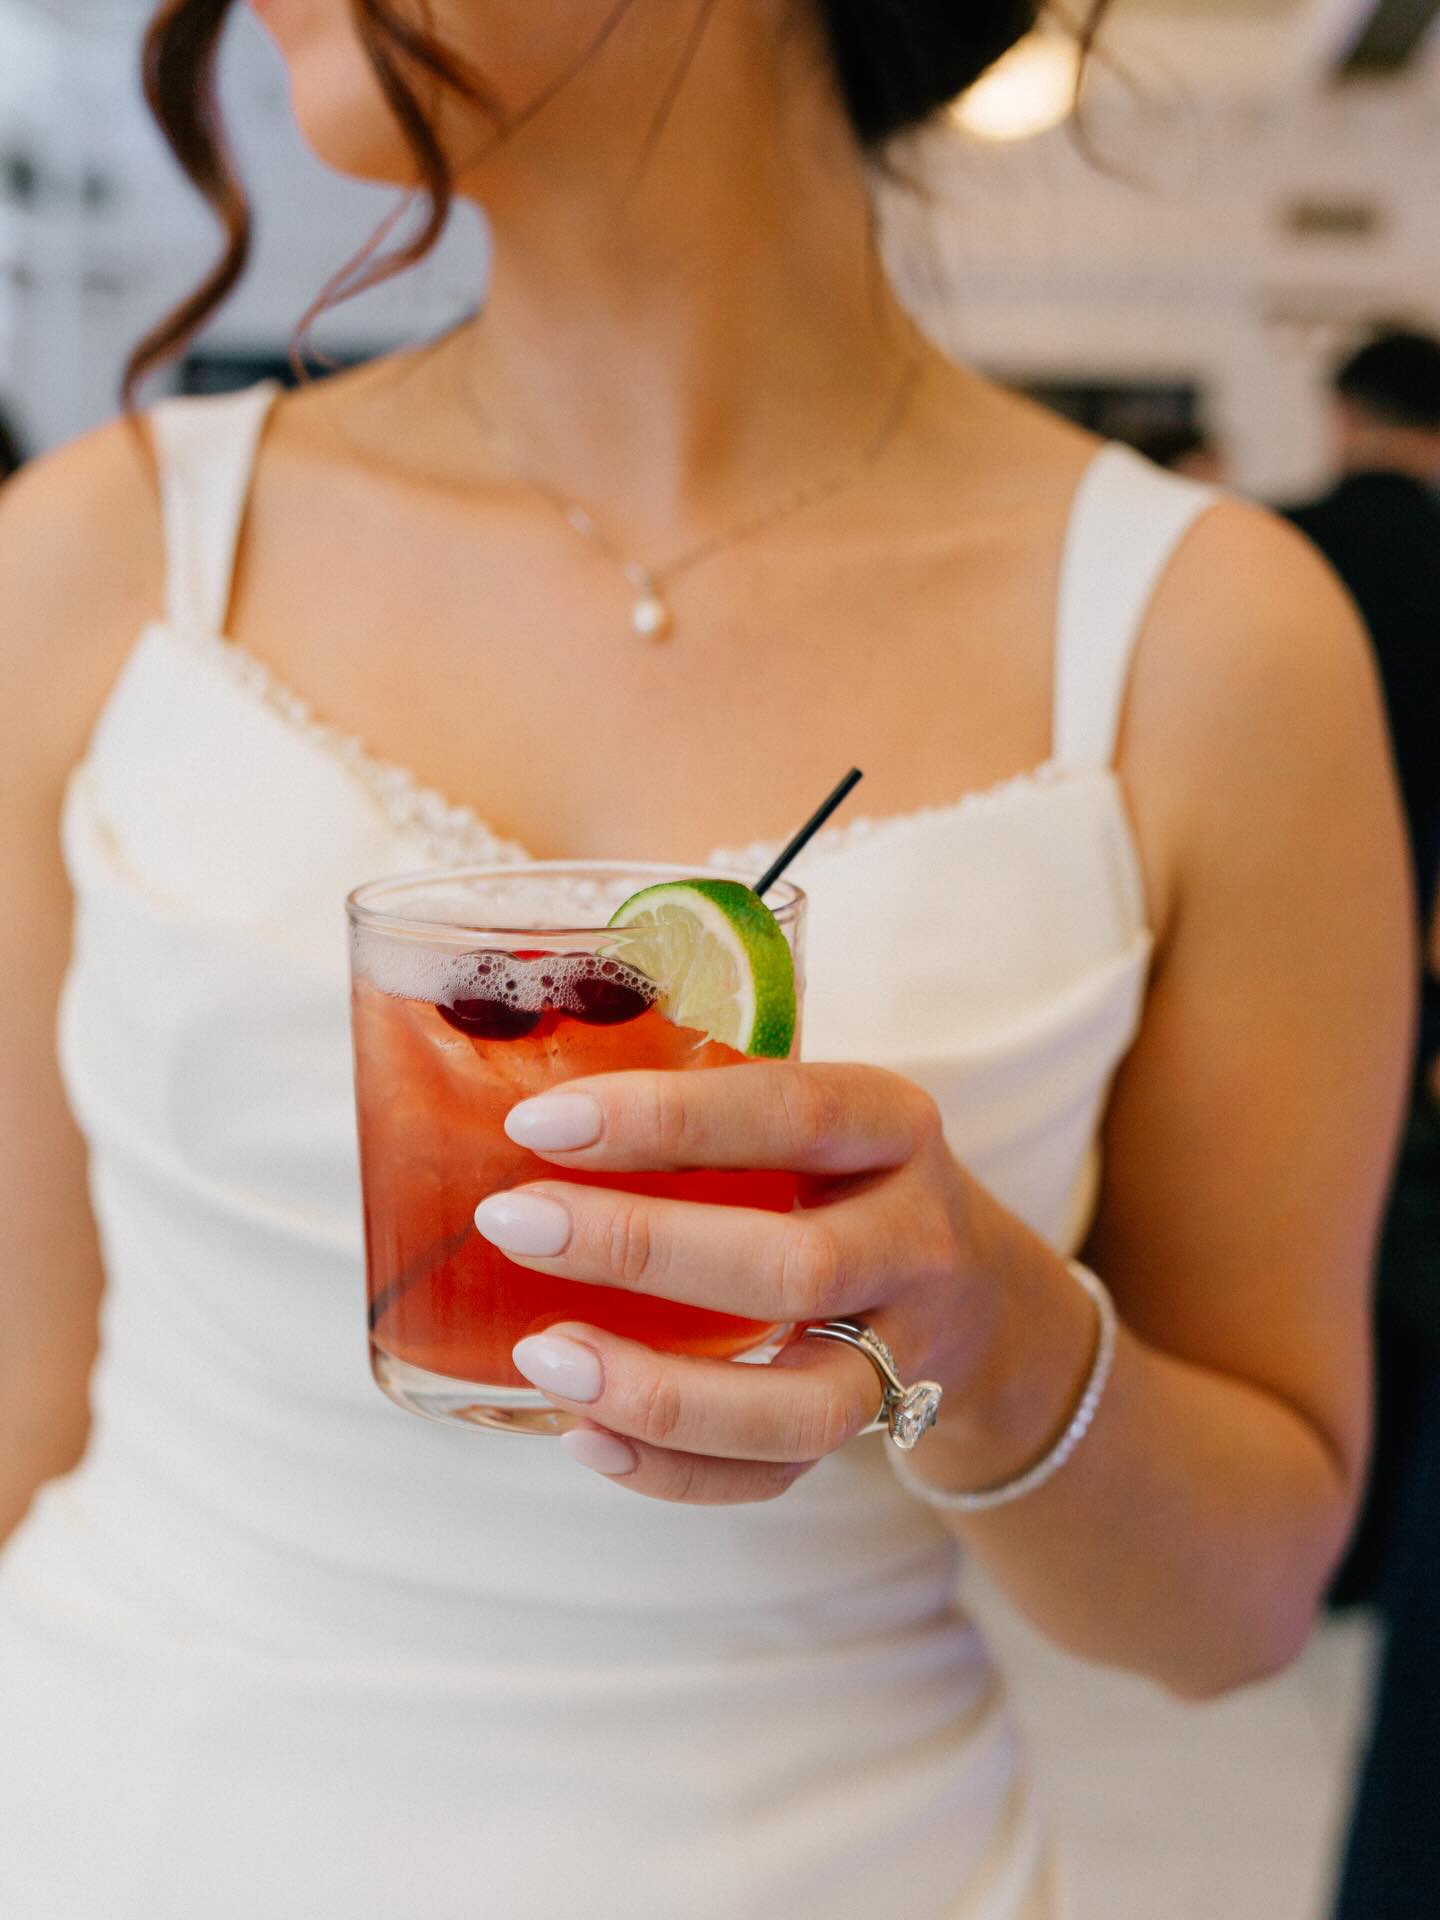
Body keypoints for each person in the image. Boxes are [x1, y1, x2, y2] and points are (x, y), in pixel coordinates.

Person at [0, 5, 1412, 1916]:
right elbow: (19, 1415)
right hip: (117, 1830)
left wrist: (988, 1327)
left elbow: (1237, 1613)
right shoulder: (95, 556)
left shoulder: (1214, 640)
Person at [1284, 330, 1440, 1920]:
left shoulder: (1279, 558)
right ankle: (1376, 1519)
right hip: (1424, 966)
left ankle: (1319, 1532)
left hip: (1281, 960)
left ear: (1344, 413)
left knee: (1304, 1236)